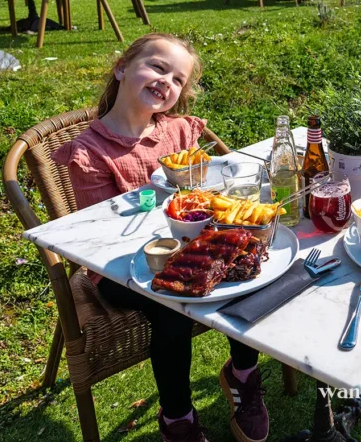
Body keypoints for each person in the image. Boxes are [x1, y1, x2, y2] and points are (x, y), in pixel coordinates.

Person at [52, 33, 268, 442]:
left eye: (178, 79)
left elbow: (209, 192)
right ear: (122, 68)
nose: (166, 81)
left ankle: (243, 374)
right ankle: (177, 416)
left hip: (190, 245)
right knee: (170, 303)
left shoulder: (179, 133)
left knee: (248, 266)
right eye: (157, 67)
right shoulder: (91, 152)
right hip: (121, 266)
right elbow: (103, 234)